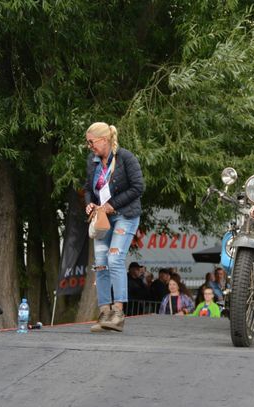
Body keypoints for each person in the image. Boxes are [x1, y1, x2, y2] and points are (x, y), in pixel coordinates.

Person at [84, 122, 144, 333]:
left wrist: (112, 205)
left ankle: (118, 313)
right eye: (88, 142)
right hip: (102, 220)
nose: (89, 145)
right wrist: (89, 203)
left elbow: (138, 187)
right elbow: (88, 189)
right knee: (100, 263)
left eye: (91, 141)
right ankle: (104, 314)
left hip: (125, 216)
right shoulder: (92, 162)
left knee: (114, 258)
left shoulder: (126, 158)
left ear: (104, 140)